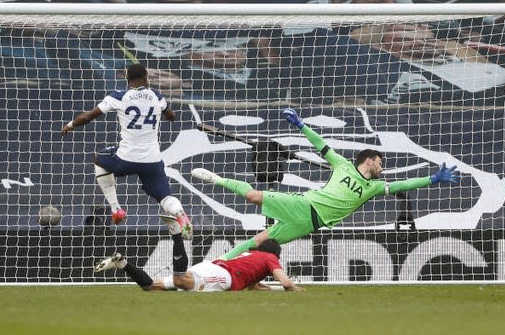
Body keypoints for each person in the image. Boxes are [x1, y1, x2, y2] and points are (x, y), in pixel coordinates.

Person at [191, 108, 461, 260]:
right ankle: (216, 178)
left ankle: (217, 264)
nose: (382, 166)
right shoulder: (341, 164)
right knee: (252, 196)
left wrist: (433, 179)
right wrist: (301, 125)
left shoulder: (374, 187)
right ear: (368, 160)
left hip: (311, 223)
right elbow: (321, 145)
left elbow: (402, 186)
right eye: (379, 162)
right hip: (304, 204)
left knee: (259, 241)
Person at [60, 63, 193, 239]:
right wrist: (161, 111)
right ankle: (181, 214)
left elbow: (88, 116)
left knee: (99, 158)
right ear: (146, 78)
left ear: (127, 79)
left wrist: (70, 125)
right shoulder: (157, 96)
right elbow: (172, 116)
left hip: (125, 160)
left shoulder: (119, 96)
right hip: (152, 162)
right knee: (164, 196)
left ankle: (116, 209)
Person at [95, 233, 304, 292]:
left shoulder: (251, 256)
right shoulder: (270, 259)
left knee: (151, 287)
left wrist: (269, 289)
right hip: (222, 276)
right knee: (180, 281)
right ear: (275, 255)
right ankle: (176, 234)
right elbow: (285, 282)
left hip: (210, 266)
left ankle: (123, 264)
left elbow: (253, 285)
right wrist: (293, 287)